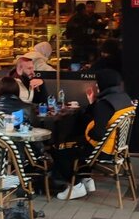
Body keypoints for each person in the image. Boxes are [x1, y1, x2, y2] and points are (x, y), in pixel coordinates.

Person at [55, 69, 133, 200]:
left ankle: (76, 186)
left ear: (103, 83)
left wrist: (87, 133)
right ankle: (86, 179)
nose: (96, 85)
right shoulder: (124, 98)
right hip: (118, 148)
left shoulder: (105, 103)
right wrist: (93, 102)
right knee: (79, 142)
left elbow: (97, 134)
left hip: (104, 150)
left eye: (97, 82)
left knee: (61, 149)